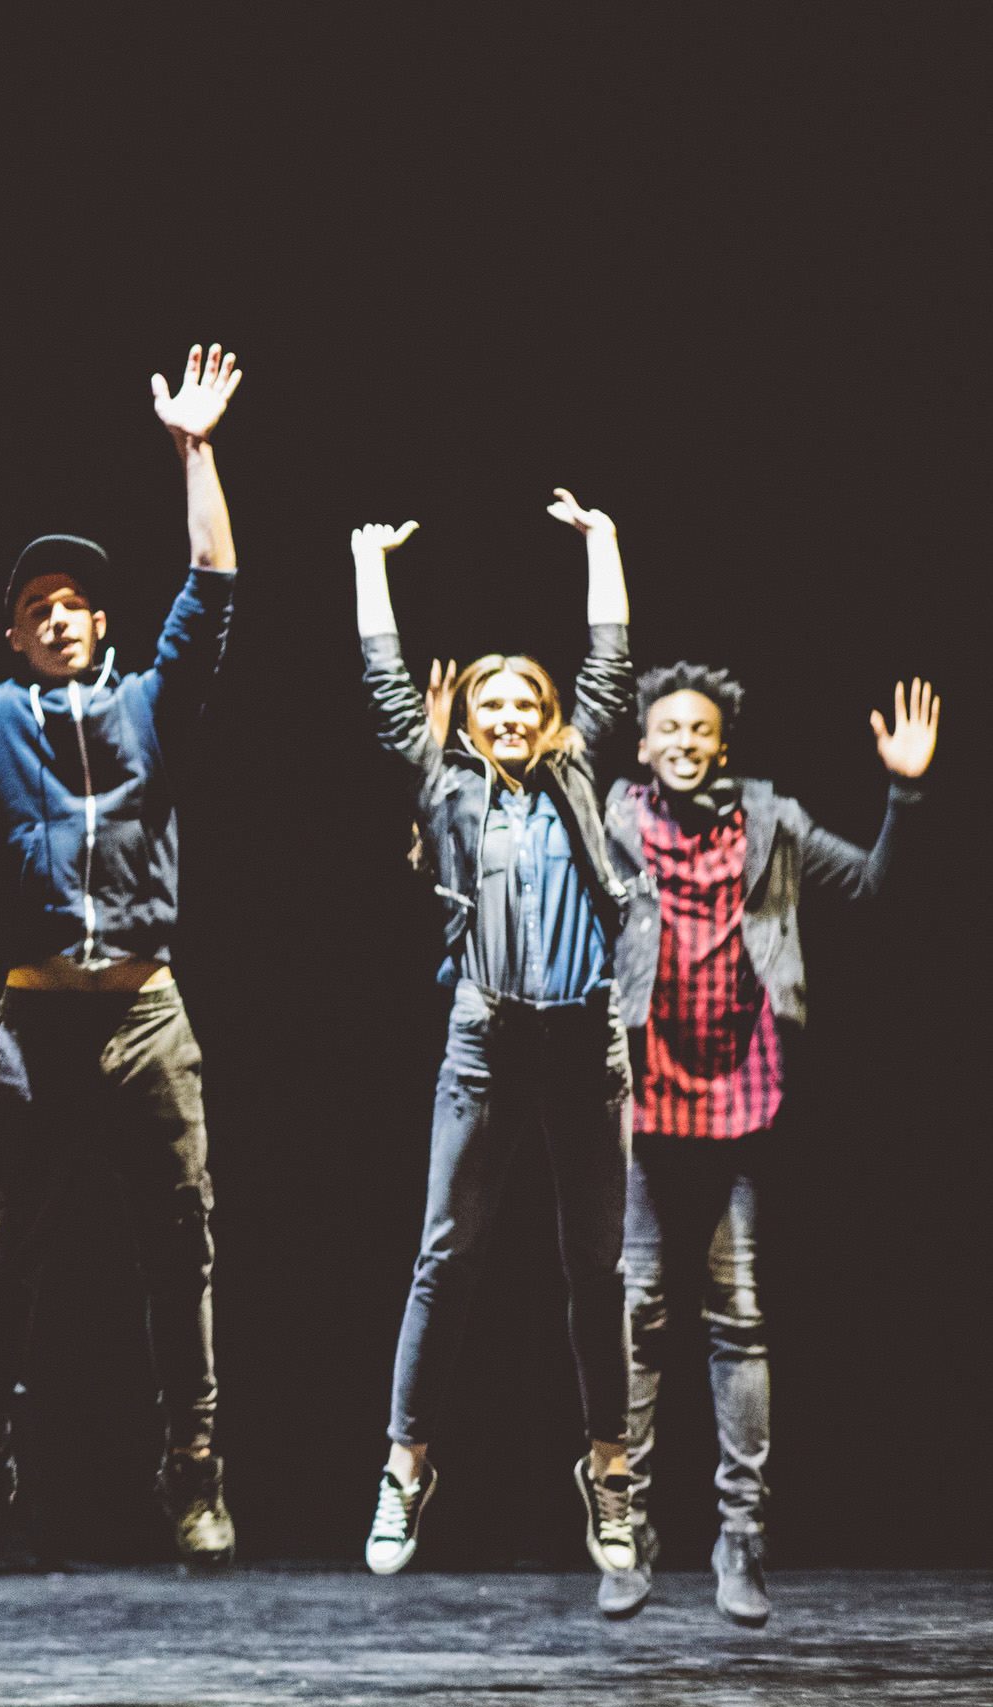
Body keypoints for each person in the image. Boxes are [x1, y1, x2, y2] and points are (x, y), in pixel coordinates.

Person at [0, 348, 245, 1574]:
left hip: (147, 1016)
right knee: (5, 1258)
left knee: (182, 1250)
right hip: (33, 1025)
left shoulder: (149, 707)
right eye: (35, 604)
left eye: (75, 599)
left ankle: (196, 1473)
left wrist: (193, 450)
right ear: (13, 633)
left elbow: (215, 587)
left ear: (101, 622)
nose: (57, 611)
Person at [352, 498, 651, 1618]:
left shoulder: (577, 771)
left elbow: (611, 660)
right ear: (472, 719)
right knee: (445, 1257)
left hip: (583, 1041)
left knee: (596, 1271)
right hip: (483, 1037)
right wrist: (367, 566)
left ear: (552, 715)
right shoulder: (449, 782)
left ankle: (610, 1472)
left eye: (530, 699)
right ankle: (405, 1465)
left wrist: (601, 544)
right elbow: (389, 694)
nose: (514, 711)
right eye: (494, 700)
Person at [606, 666, 935, 1626]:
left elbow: (872, 883)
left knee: (735, 1317)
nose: (681, 740)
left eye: (698, 728)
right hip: (636, 1106)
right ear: (642, 743)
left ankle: (740, 1539)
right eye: (665, 726)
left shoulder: (769, 822)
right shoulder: (612, 822)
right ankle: (623, 1530)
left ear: (720, 744)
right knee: (636, 1314)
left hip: (737, 1103)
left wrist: (903, 791)